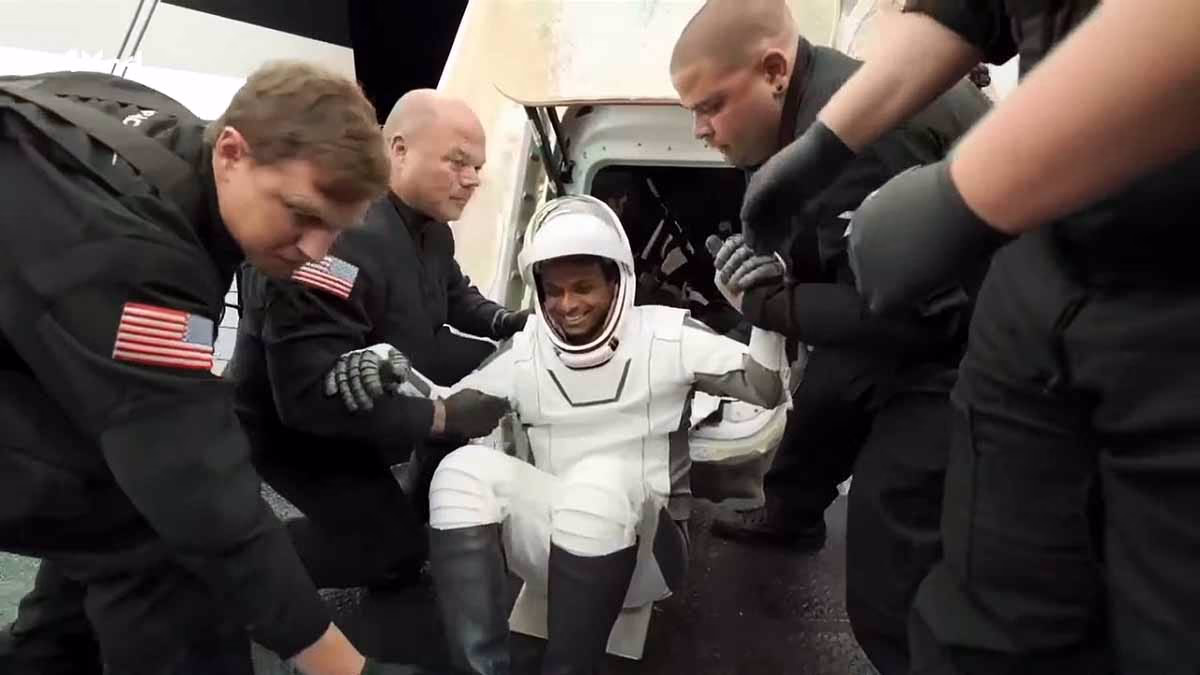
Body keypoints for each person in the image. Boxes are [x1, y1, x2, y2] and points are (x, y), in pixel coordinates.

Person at [747, 0, 1200, 671]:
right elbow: (972, 8)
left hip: (1174, 302)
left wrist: (967, 189)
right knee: (980, 626)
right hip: (1048, 273)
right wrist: (826, 143)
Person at [0, 64, 434, 675]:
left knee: (121, 493)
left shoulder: (156, 135)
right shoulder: (136, 250)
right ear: (231, 152)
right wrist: (343, 666)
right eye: (302, 214)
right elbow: (195, 482)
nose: (315, 250)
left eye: (335, 231)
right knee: (166, 535)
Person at [327, 194, 790, 675]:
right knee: (460, 472)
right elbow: (448, 409)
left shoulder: (668, 336)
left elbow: (765, 387)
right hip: (553, 552)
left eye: (583, 287)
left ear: (617, 281)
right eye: (554, 291)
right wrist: (389, 368)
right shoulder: (526, 352)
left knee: (597, 481)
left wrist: (763, 313)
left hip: (648, 560)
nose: (567, 305)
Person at [669, 1, 989, 670]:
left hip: (970, 350)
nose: (700, 130)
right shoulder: (802, 119)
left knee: (887, 573)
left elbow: (913, 316)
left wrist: (769, 304)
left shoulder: (859, 137)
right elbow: (839, 252)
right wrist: (779, 267)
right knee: (826, 396)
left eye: (711, 106)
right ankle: (791, 513)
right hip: (923, 318)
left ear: (774, 71)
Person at [226, 89, 525, 593]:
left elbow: (454, 292)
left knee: (486, 380)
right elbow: (306, 401)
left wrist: (508, 323)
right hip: (297, 427)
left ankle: (411, 520)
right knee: (388, 552)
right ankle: (217, 568)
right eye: (457, 162)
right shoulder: (336, 240)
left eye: (477, 167)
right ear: (399, 150)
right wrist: (442, 416)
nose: (473, 179)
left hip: (378, 382)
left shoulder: (432, 232)